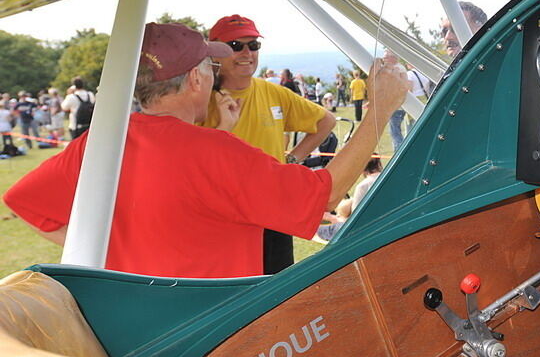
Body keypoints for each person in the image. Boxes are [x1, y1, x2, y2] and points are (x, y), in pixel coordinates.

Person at [2, 22, 408, 278]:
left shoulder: (101, 142)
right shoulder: (215, 152)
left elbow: (25, 200)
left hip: (140, 330)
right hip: (218, 333)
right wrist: (380, 110)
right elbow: (327, 193)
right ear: (195, 81)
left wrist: (105, 250)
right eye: (208, 68)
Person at [203, 15, 337, 274]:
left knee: (277, 292)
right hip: (225, 218)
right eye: (235, 45)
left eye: (253, 46)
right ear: (214, 53)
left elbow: (326, 121)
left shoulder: (274, 93)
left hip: (273, 214)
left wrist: (293, 159)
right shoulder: (200, 100)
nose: (247, 53)